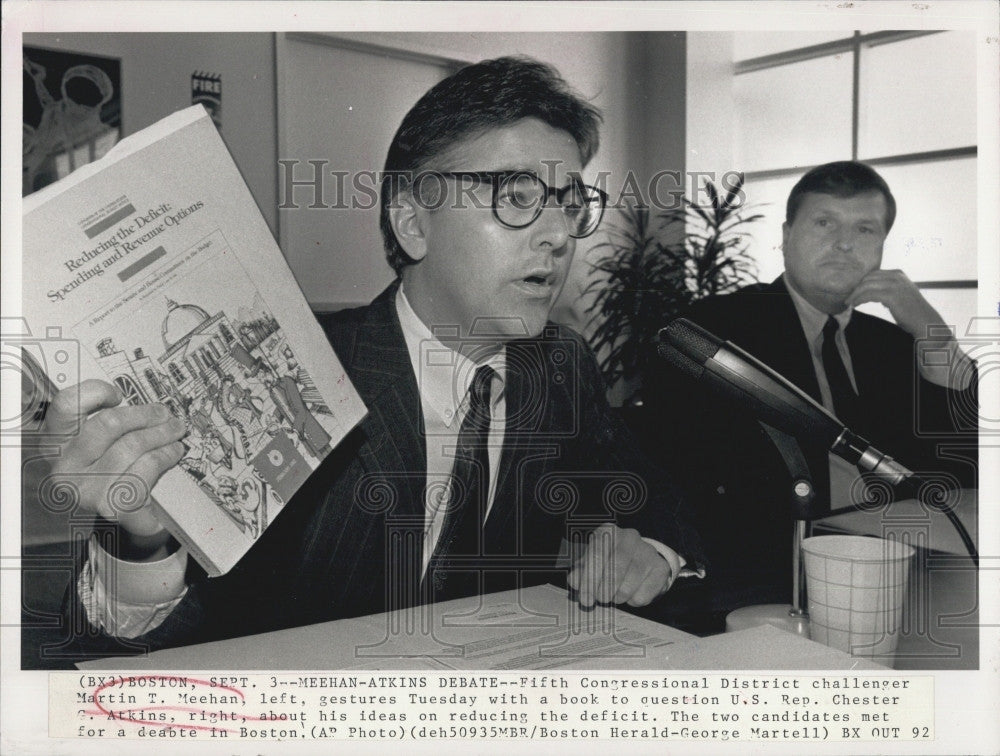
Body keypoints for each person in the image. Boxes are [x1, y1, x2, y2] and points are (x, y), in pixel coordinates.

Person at [41, 57, 705, 654]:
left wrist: (649, 547)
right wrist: (142, 538)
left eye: (569, 203)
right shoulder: (294, 373)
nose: (559, 234)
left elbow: (650, 491)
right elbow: (136, 638)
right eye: (519, 197)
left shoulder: (559, 366)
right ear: (412, 222)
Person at [648, 161, 977, 621]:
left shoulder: (896, 343)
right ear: (786, 235)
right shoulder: (718, 331)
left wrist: (937, 338)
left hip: (896, 570)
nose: (844, 244)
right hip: (761, 576)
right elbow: (689, 474)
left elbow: (965, 464)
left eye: (865, 229)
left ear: (883, 245)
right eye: (824, 223)